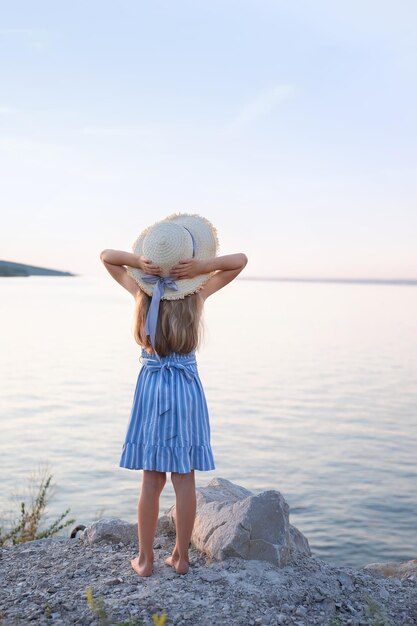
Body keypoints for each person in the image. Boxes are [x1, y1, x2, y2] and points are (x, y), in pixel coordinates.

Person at [100, 213, 247, 577]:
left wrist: (136, 263)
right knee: (184, 477)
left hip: (151, 387)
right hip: (185, 387)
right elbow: (240, 262)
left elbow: (106, 256)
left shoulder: (140, 292)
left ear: (151, 260)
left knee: (152, 479)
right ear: (187, 264)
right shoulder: (196, 295)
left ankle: (146, 560)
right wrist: (204, 266)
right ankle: (181, 558)